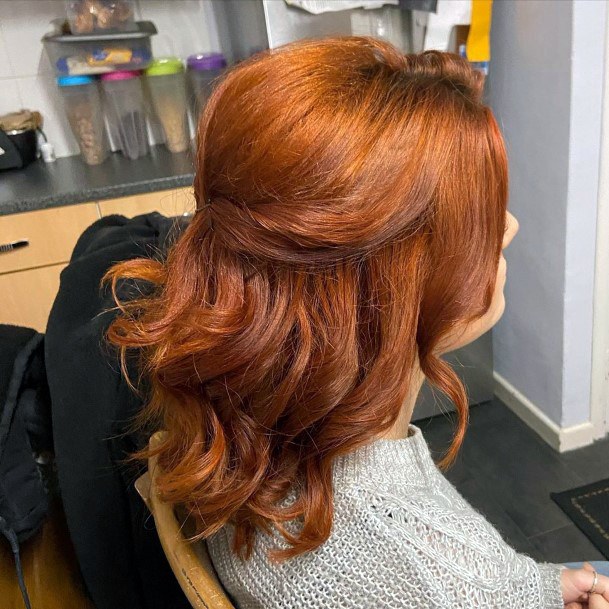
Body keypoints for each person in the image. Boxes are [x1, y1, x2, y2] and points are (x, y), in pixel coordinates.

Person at [105, 37, 609, 608]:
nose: (510, 226)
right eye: (481, 216)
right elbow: (442, 582)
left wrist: (533, 591)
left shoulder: (242, 422)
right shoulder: (438, 579)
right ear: (392, 286)